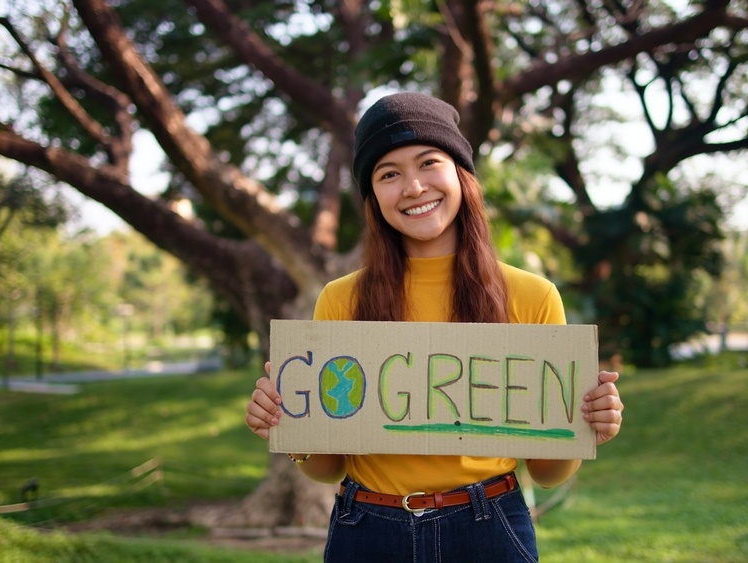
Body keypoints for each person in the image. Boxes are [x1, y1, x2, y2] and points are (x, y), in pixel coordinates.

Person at [245, 92, 624, 562]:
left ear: (461, 174)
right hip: (366, 529)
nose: (414, 187)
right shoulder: (340, 299)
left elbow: (547, 473)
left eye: (429, 163)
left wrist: (585, 423)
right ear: (372, 195)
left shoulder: (533, 296)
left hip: (488, 526)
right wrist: (291, 427)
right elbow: (329, 466)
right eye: (389, 174)